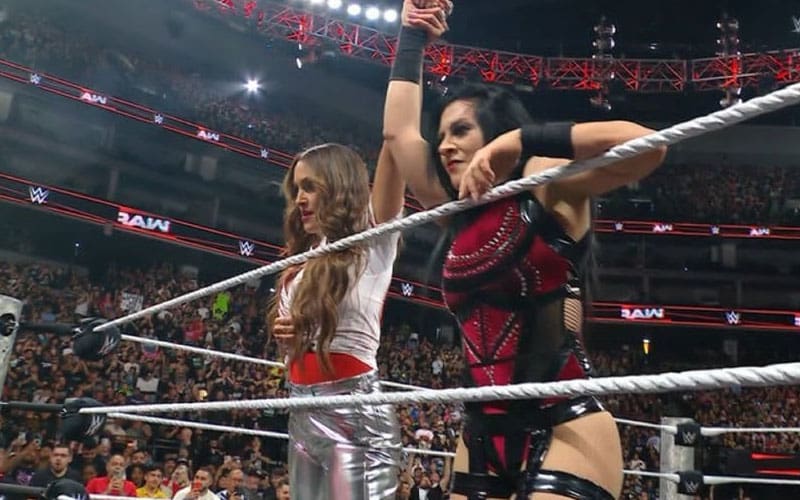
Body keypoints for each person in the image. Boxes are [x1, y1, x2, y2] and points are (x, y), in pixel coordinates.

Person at [382, 1, 668, 498]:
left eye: (461, 131)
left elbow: (649, 145)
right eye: (442, 135)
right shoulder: (456, 210)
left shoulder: (542, 181)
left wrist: (514, 144)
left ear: (494, 132)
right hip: (479, 431)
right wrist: (411, 36)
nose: (444, 145)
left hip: (565, 422)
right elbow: (398, 134)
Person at [266, 141, 407, 499]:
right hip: (301, 411)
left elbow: (395, 143)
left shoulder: (371, 239)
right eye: (297, 188)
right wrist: (293, 337)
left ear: (338, 186)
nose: (300, 199)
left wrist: (400, 111)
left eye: (310, 187)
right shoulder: (308, 256)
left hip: (352, 414)